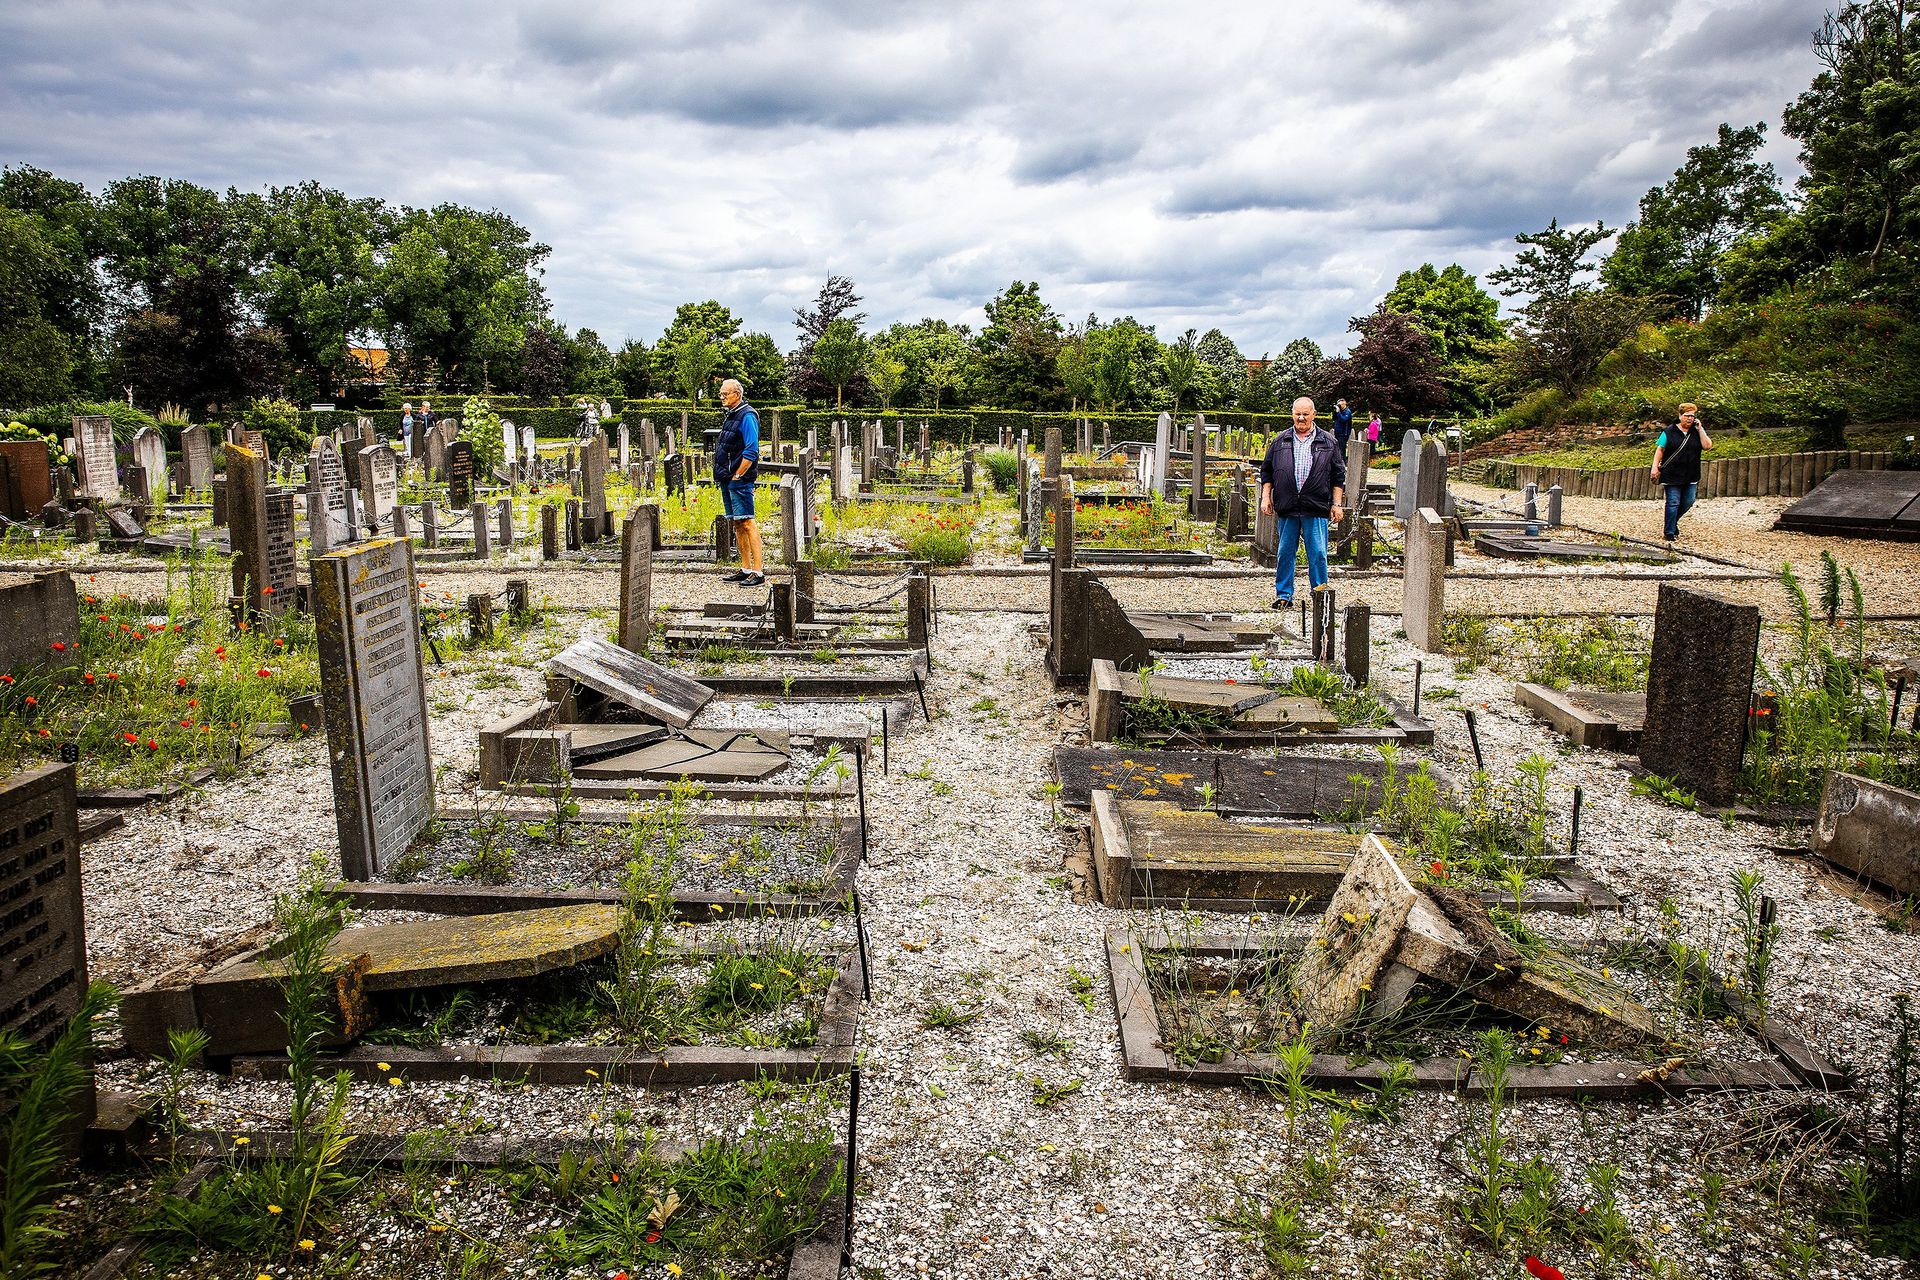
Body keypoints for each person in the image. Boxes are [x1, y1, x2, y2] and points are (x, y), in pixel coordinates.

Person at [1259, 397, 1346, 609]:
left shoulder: (1328, 442)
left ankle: (1320, 594)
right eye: (1297, 414)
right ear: (1292, 414)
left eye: (1305, 414)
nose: (1301, 418)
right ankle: (1284, 595)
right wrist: (1265, 497)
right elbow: (1267, 472)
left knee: (1318, 553)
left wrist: (1336, 504)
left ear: (1313, 415)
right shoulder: (1280, 441)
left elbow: (1338, 476)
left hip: (1315, 506)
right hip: (1288, 506)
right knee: (1285, 553)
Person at [713, 378, 765, 586]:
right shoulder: (732, 414)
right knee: (737, 523)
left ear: (738, 394)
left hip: (739, 478)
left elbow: (752, 449)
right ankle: (745, 568)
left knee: (748, 522)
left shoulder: (747, 415)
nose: (722, 397)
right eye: (721, 394)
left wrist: (739, 474)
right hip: (728, 477)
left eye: (725, 394)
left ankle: (758, 572)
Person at [1651, 403, 1713, 543]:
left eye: (1692, 416)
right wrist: (1654, 467)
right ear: (1680, 416)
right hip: (1672, 474)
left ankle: (1672, 523)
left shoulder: (1696, 431)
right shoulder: (1669, 432)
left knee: (1688, 501)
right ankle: (1669, 532)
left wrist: (1700, 429)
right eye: (1687, 415)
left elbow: (1707, 446)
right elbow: (1660, 450)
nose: (1690, 418)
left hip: (1691, 473)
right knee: (1673, 502)